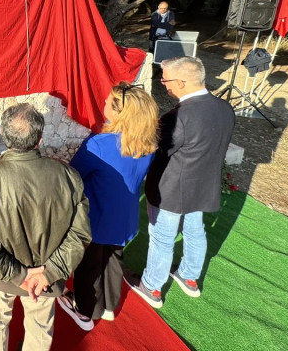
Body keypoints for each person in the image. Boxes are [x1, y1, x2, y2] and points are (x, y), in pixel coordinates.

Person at [0, 103, 91, 351]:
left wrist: (24, 276)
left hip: (3, 277)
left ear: (3, 136)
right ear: (40, 139)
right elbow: (80, 235)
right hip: (44, 278)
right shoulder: (67, 175)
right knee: (39, 331)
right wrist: (44, 274)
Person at [130, 56, 236, 308]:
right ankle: (189, 277)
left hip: (171, 189)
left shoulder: (178, 117)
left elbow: (156, 149)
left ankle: (152, 287)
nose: (163, 84)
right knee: (195, 231)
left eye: (165, 79)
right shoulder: (225, 108)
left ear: (180, 82)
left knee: (162, 239)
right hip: (204, 184)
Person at [55, 83, 160, 331]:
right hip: (125, 218)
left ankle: (85, 311)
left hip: (97, 218)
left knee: (88, 266)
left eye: (106, 102)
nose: (102, 105)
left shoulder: (100, 144)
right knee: (114, 261)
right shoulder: (147, 143)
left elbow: (74, 174)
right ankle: (110, 307)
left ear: (118, 112)